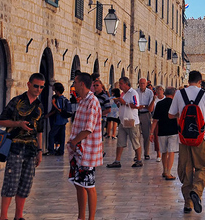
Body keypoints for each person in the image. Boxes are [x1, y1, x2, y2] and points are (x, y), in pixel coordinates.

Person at [168, 70, 205, 214]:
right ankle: (196, 191)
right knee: (202, 167)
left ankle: (187, 204)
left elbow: (171, 114)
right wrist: (203, 114)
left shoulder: (179, 94)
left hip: (184, 138)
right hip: (201, 138)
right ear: (200, 81)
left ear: (188, 80)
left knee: (186, 169)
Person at [0, 73, 45, 220]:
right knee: (11, 182)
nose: (38, 89)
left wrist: (40, 151)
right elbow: (1, 121)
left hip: (31, 149)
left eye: (41, 87)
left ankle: (19, 216)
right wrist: (18, 124)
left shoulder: (39, 107)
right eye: (36, 86)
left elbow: (40, 131)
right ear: (28, 84)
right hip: (15, 147)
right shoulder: (16, 101)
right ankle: (3, 216)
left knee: (25, 184)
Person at [66, 72, 103, 220]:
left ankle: (91, 218)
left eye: (75, 82)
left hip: (86, 151)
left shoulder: (92, 102)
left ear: (82, 84)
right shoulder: (82, 101)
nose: (73, 85)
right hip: (78, 152)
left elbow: (89, 128)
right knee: (78, 183)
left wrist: (74, 141)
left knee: (89, 186)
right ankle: (81, 216)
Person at [107, 77, 143, 168]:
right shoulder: (123, 94)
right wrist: (118, 102)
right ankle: (117, 161)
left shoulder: (133, 93)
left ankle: (139, 160)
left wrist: (125, 102)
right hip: (123, 121)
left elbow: (136, 105)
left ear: (126, 84)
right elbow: (123, 105)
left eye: (121, 83)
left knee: (135, 141)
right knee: (120, 141)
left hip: (131, 121)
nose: (120, 86)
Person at [152, 87, 179, 180]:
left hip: (162, 131)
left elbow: (155, 120)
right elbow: (178, 118)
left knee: (164, 152)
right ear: (174, 94)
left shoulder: (159, 104)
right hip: (173, 131)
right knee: (171, 152)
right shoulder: (175, 104)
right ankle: (168, 172)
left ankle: (164, 170)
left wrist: (151, 132)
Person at [47, 82, 69, 156]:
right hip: (63, 120)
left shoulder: (59, 99)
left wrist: (53, 104)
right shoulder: (63, 99)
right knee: (62, 136)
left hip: (59, 120)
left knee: (51, 134)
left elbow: (59, 110)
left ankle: (51, 150)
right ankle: (61, 151)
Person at [136, 78, 155, 160]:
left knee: (146, 135)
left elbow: (150, 107)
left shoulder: (149, 92)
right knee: (136, 135)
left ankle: (146, 153)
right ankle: (137, 154)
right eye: (141, 83)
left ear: (146, 84)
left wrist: (143, 106)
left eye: (144, 83)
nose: (142, 85)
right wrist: (143, 106)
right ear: (139, 84)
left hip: (145, 114)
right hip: (137, 114)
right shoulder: (136, 92)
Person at [152, 86, 165, 161]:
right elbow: (151, 109)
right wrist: (152, 100)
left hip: (164, 120)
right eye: (158, 89)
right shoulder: (154, 100)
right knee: (156, 137)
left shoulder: (166, 99)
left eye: (160, 89)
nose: (159, 91)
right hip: (156, 120)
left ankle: (164, 153)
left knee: (164, 137)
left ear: (163, 91)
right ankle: (158, 154)